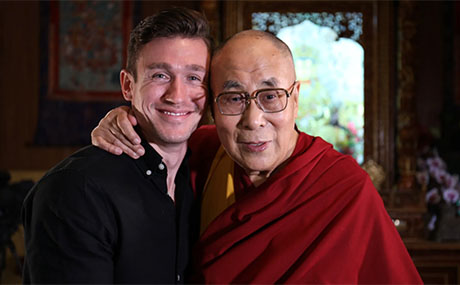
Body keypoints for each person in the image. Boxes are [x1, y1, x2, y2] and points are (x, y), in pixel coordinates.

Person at [92, 30, 423, 283]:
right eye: (234, 99)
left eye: (270, 96)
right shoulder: (202, 152)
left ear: (296, 98)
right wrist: (125, 120)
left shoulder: (344, 189)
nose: (253, 120)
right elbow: (159, 133)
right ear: (212, 107)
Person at [21, 8, 212, 284]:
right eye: (160, 75)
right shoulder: (76, 190)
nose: (177, 96)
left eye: (194, 78)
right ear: (127, 86)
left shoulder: (204, 170)